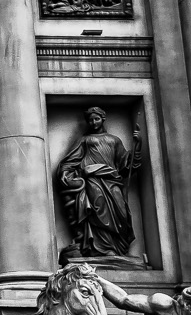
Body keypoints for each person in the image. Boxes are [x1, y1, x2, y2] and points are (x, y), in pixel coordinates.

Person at [54, 106, 143, 258]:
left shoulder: (114, 140)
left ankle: (116, 248)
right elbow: (70, 161)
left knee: (120, 212)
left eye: (96, 119)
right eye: (90, 120)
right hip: (93, 180)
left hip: (112, 181)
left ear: (103, 119)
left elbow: (125, 165)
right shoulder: (85, 140)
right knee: (98, 210)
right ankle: (102, 249)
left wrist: (138, 144)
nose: (93, 122)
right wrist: (68, 175)